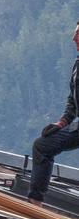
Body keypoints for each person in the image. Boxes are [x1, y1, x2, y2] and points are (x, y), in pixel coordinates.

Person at [27, 21, 79, 206]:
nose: (74, 38)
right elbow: (73, 100)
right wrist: (62, 123)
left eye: (78, 34)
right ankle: (35, 202)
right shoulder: (77, 66)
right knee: (42, 146)